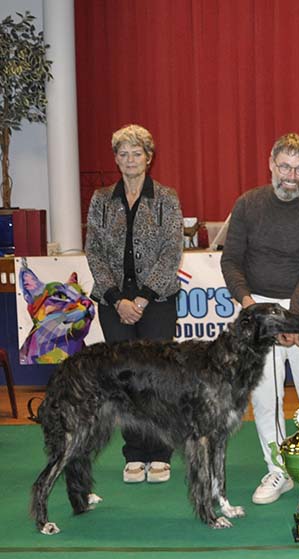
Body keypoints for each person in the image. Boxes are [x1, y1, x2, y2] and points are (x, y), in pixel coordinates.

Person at [221, 133, 299, 505]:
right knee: (264, 396)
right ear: (271, 164)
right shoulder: (247, 205)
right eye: (285, 167)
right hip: (256, 310)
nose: (292, 176)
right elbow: (231, 261)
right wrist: (249, 308)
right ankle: (278, 470)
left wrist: (291, 321)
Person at [85, 124, 183, 485]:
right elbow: (93, 251)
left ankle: (159, 453)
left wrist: (141, 297)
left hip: (156, 301)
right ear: (116, 159)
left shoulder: (167, 198)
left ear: (149, 158)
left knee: (156, 378)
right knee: (125, 379)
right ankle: (134, 453)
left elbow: (172, 252)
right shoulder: (100, 200)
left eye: (136, 153)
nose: (129, 160)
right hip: (114, 304)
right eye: (123, 154)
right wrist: (116, 298)